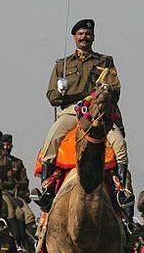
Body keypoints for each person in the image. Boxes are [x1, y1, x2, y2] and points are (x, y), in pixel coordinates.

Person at [37, 18, 126, 208]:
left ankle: (122, 193)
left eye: (88, 34)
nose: (84, 37)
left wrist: (101, 94)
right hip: (72, 110)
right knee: (52, 138)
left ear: (93, 37)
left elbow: (115, 89)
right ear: (74, 37)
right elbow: (51, 95)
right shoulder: (63, 64)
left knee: (119, 144)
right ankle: (46, 188)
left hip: (97, 111)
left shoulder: (104, 61)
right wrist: (62, 93)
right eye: (81, 34)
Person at [0, 134, 35, 245]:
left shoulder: (17, 162)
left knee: (29, 216)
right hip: (3, 194)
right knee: (17, 213)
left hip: (17, 195)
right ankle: (18, 242)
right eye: (4, 145)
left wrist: (21, 191)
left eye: (8, 145)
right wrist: (10, 184)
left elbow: (24, 181)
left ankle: (32, 244)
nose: (6, 147)